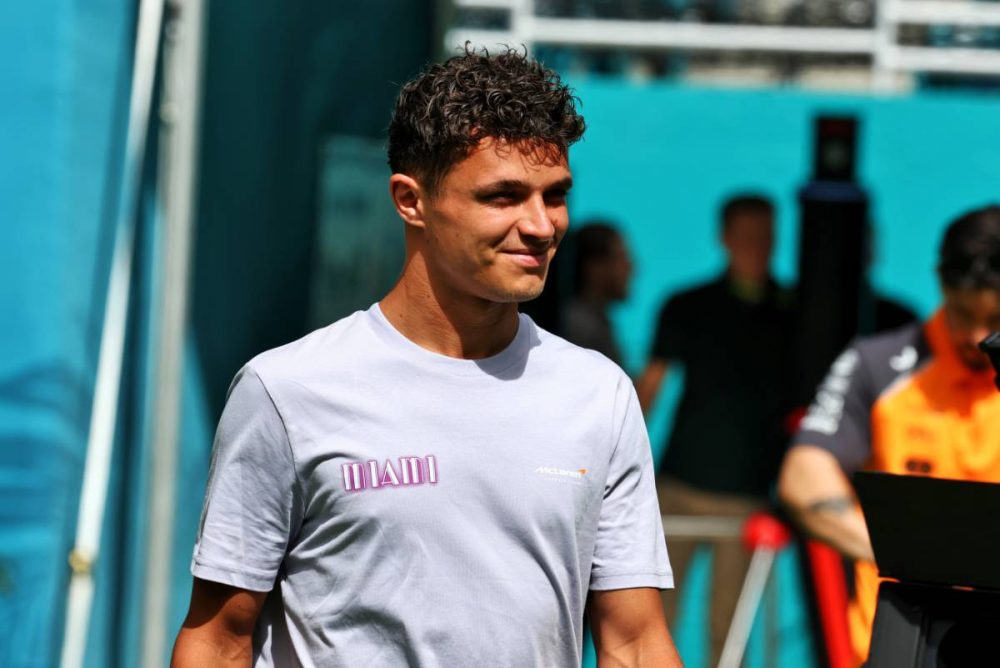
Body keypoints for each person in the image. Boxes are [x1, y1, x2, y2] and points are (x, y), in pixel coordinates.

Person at [171, 47, 682, 667]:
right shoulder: (287, 390)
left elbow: (634, 642)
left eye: (554, 196)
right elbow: (219, 638)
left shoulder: (599, 394)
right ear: (410, 200)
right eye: (503, 196)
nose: (542, 225)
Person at [779, 204, 1000, 665]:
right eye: (964, 314)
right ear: (941, 284)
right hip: (903, 645)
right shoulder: (878, 364)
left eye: (996, 319)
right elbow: (803, 476)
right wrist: (909, 553)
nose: (977, 335)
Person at [635, 193, 795, 666]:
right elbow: (649, 389)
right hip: (677, 489)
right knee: (650, 617)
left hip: (747, 496)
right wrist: (613, 469)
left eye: (765, 236)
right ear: (724, 238)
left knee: (732, 631)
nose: (757, 246)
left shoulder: (796, 312)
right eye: (746, 236)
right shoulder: (687, 305)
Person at [561, 221, 633, 367]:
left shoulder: (595, 321)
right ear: (594, 267)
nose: (630, 266)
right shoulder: (582, 328)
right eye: (621, 257)